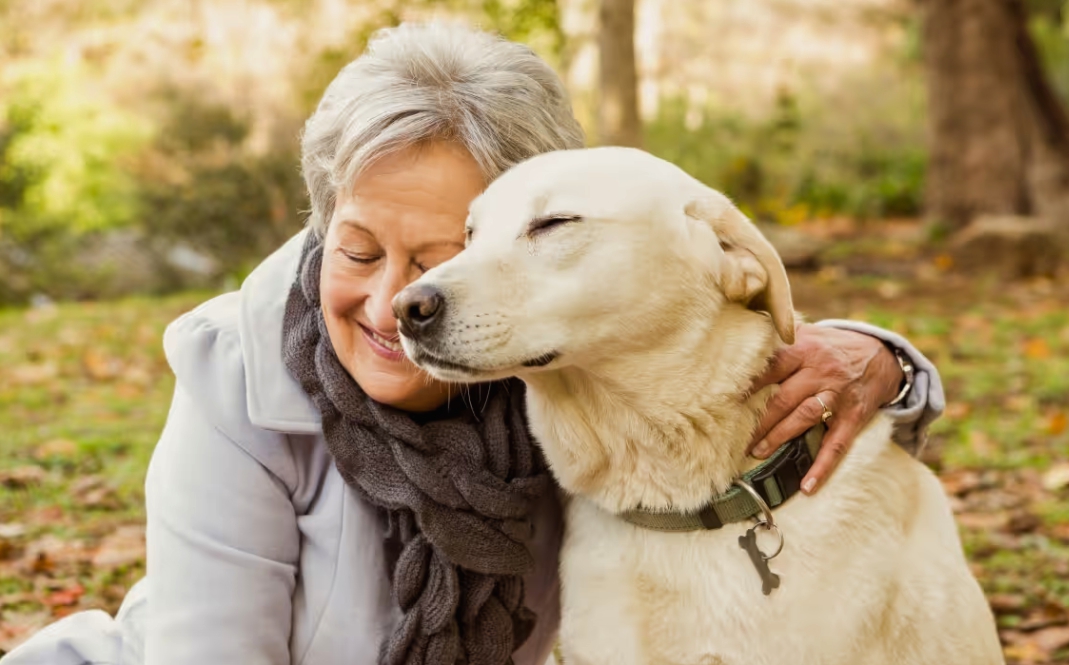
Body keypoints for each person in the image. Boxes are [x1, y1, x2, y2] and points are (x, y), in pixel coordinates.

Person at [4, 22, 944, 665]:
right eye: (359, 249)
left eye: (443, 255)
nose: (400, 300)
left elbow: (701, 337)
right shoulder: (236, 376)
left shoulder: (543, 362)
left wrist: (885, 358)